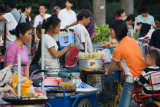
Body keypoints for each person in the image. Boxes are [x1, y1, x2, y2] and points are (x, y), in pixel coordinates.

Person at [105, 19, 146, 107]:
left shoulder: (118, 49)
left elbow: (111, 68)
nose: (110, 32)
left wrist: (107, 73)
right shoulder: (132, 41)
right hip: (143, 76)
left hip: (132, 80)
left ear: (117, 31)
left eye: (111, 30)